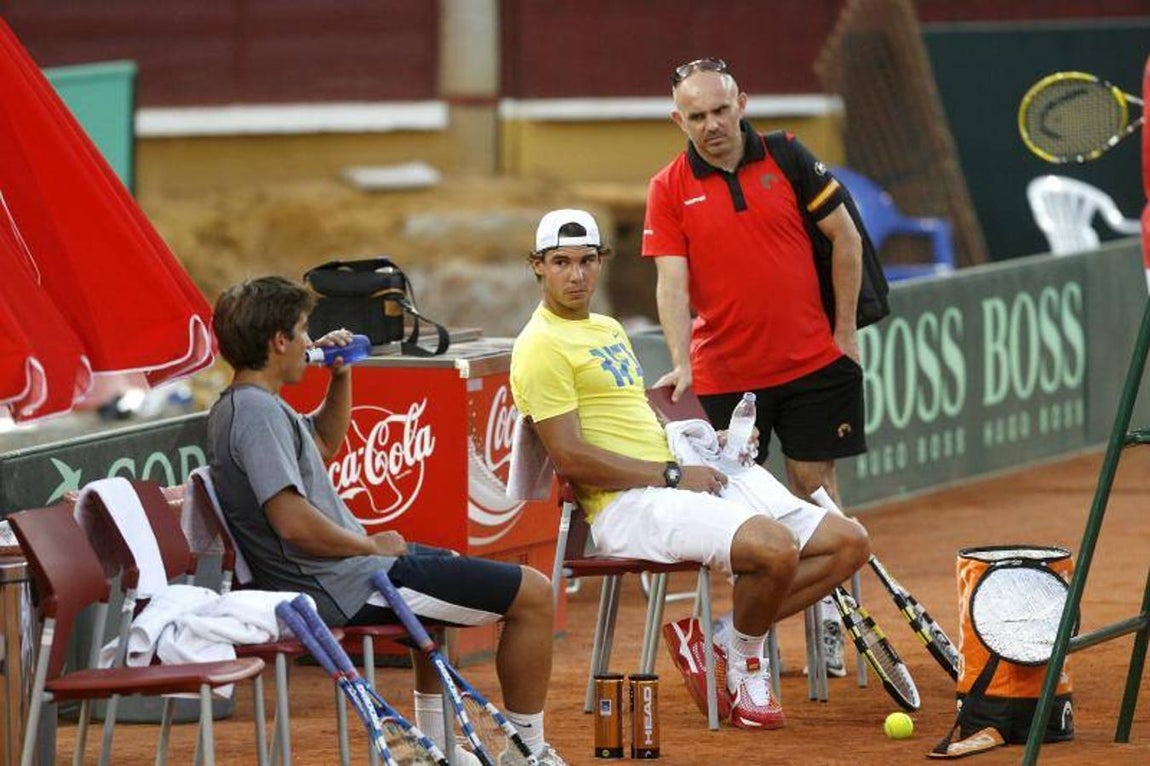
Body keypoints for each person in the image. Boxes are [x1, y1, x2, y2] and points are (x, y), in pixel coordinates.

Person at [510, 210, 869, 730]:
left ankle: (724, 640)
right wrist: (673, 475)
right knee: (773, 548)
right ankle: (747, 664)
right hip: (625, 506)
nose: (576, 275)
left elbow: (630, 418)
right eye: (561, 263)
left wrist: (701, 444)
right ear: (537, 267)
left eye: (587, 261)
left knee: (849, 543)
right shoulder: (539, 346)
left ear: (601, 262)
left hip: (674, 477)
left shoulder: (607, 328)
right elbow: (570, 458)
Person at [208, 276, 565, 765]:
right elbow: (292, 523)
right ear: (279, 342)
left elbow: (327, 445)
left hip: (345, 574)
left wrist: (340, 375)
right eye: (304, 330)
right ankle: (528, 752)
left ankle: (437, 750)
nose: (310, 342)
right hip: (343, 583)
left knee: (446, 580)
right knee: (535, 594)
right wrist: (367, 545)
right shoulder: (255, 414)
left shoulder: (257, 407)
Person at [642, 57, 869, 675]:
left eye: (720, 110)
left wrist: (844, 331)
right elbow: (670, 282)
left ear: (741, 102)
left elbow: (845, 238)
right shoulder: (667, 188)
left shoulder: (788, 156)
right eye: (697, 116)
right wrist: (681, 362)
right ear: (678, 120)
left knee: (814, 487)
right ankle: (746, 643)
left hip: (812, 361)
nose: (712, 124)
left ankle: (828, 628)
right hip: (724, 376)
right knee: (742, 511)